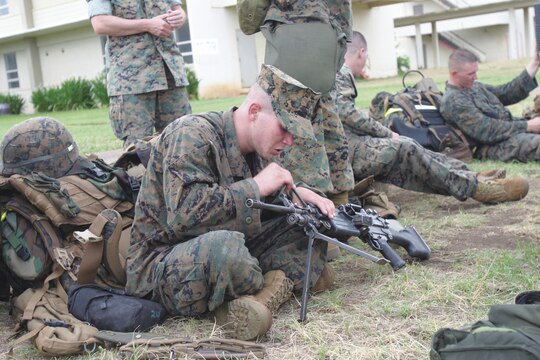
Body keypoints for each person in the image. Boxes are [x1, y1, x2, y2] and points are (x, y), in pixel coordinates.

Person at [124, 64, 336, 341]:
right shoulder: (191, 134)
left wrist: (299, 196)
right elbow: (185, 216)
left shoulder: (257, 150)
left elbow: (259, 206)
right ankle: (274, 284)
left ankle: (257, 298)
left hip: (226, 243)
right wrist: (257, 186)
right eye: (285, 128)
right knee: (227, 250)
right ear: (254, 112)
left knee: (307, 227)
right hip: (162, 260)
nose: (289, 140)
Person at [337, 31, 529, 204]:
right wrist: (386, 133)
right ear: (361, 52)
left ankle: (469, 175)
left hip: (343, 147)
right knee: (406, 147)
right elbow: (346, 112)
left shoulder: (335, 69)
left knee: (407, 150)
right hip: (341, 151)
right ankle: (478, 187)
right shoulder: (340, 71)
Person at [261, 1, 355, 205]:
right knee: (328, 122)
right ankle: (339, 211)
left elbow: (249, 16)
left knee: (297, 134)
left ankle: (315, 214)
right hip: (328, 35)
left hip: (292, 33)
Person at [87, 0, 192, 149]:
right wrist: (148, 24)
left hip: (170, 72)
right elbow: (100, 23)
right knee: (137, 149)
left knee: (182, 139)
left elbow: (178, 10)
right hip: (132, 80)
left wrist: (179, 16)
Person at [440, 48, 540, 162]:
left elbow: (506, 93)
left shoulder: (474, 87)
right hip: (493, 146)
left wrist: (535, 63)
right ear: (454, 74)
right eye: (471, 74)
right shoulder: (453, 101)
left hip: (510, 132)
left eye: (476, 72)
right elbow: (487, 130)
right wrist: (528, 126)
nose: (475, 77)